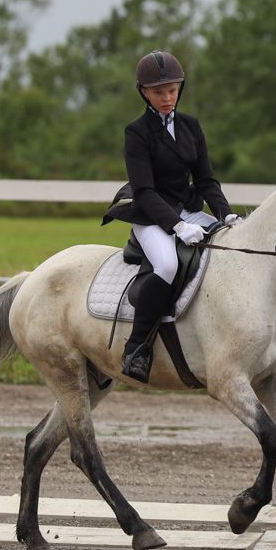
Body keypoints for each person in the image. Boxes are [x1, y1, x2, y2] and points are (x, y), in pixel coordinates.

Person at [102, 51, 239, 382]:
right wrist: (176, 226)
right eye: (159, 92)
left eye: (173, 90)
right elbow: (145, 191)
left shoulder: (191, 125)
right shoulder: (137, 132)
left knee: (230, 248)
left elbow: (206, 180)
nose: (167, 98)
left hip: (189, 211)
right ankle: (137, 349)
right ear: (144, 93)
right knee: (167, 265)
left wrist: (226, 214)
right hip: (152, 216)